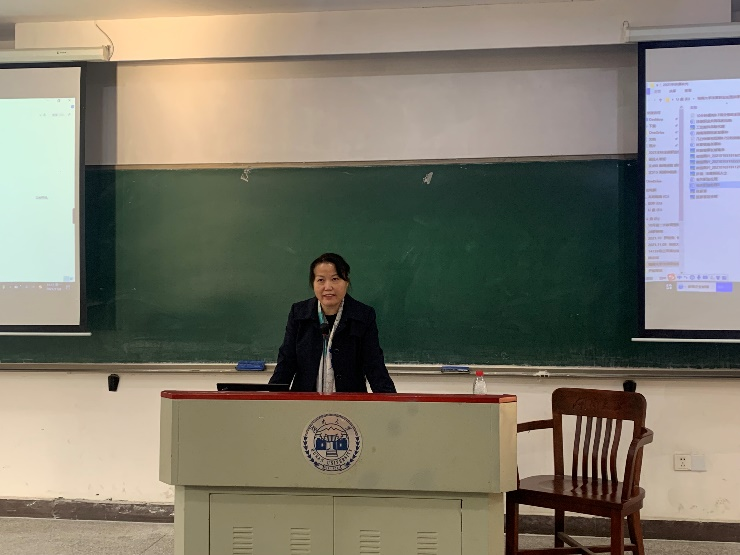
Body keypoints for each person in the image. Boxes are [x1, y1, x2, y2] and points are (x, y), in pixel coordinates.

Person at [269, 253, 396, 393]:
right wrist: (270, 398)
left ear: (346, 282)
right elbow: (286, 362)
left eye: (335, 279)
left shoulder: (363, 315)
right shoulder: (299, 314)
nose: (328, 287)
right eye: (321, 280)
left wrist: (391, 401)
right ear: (313, 283)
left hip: (349, 401)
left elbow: (374, 365)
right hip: (305, 400)